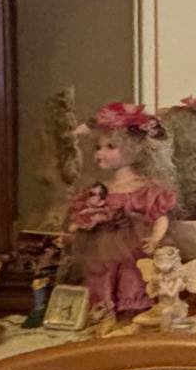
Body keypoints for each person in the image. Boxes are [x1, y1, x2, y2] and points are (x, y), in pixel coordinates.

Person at [65, 103, 178, 318]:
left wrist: (155, 238)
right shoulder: (99, 188)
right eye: (98, 147)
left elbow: (160, 216)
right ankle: (102, 313)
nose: (100, 153)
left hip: (134, 247)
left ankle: (131, 312)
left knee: (131, 275)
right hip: (99, 246)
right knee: (100, 275)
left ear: (133, 149)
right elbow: (84, 214)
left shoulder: (146, 187)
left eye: (110, 147)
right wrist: (76, 226)